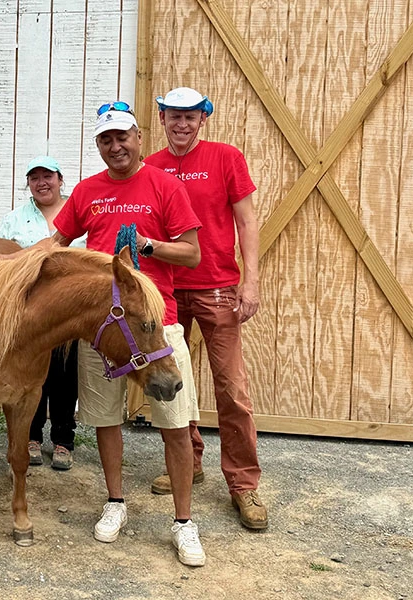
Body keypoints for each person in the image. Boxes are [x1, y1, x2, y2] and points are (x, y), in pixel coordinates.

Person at [52, 103, 207, 567]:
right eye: (106, 140)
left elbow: (193, 254)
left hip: (156, 323)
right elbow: (56, 244)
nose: (115, 146)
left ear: (139, 137)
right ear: (98, 145)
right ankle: (115, 502)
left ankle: (183, 523)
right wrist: (5, 264)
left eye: (122, 137)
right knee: (104, 418)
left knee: (175, 424)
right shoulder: (86, 191)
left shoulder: (165, 185)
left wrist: (148, 245)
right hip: (102, 330)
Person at [145, 87, 267, 530]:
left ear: (203, 120)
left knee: (231, 386)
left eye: (190, 117)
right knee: (175, 380)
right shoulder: (151, 166)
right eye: (174, 116)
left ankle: (243, 483)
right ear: (162, 119)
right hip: (167, 289)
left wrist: (249, 281)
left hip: (217, 286)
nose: (182, 124)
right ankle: (189, 460)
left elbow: (247, 220)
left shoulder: (225, 157)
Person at [0, 155, 85, 470]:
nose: (42, 182)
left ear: (61, 180)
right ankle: (31, 436)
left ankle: (63, 440)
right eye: (35, 178)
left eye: (48, 176)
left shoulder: (78, 213)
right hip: (27, 312)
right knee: (32, 375)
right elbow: (4, 259)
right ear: (28, 184)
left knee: (64, 375)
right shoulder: (15, 219)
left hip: (68, 312)